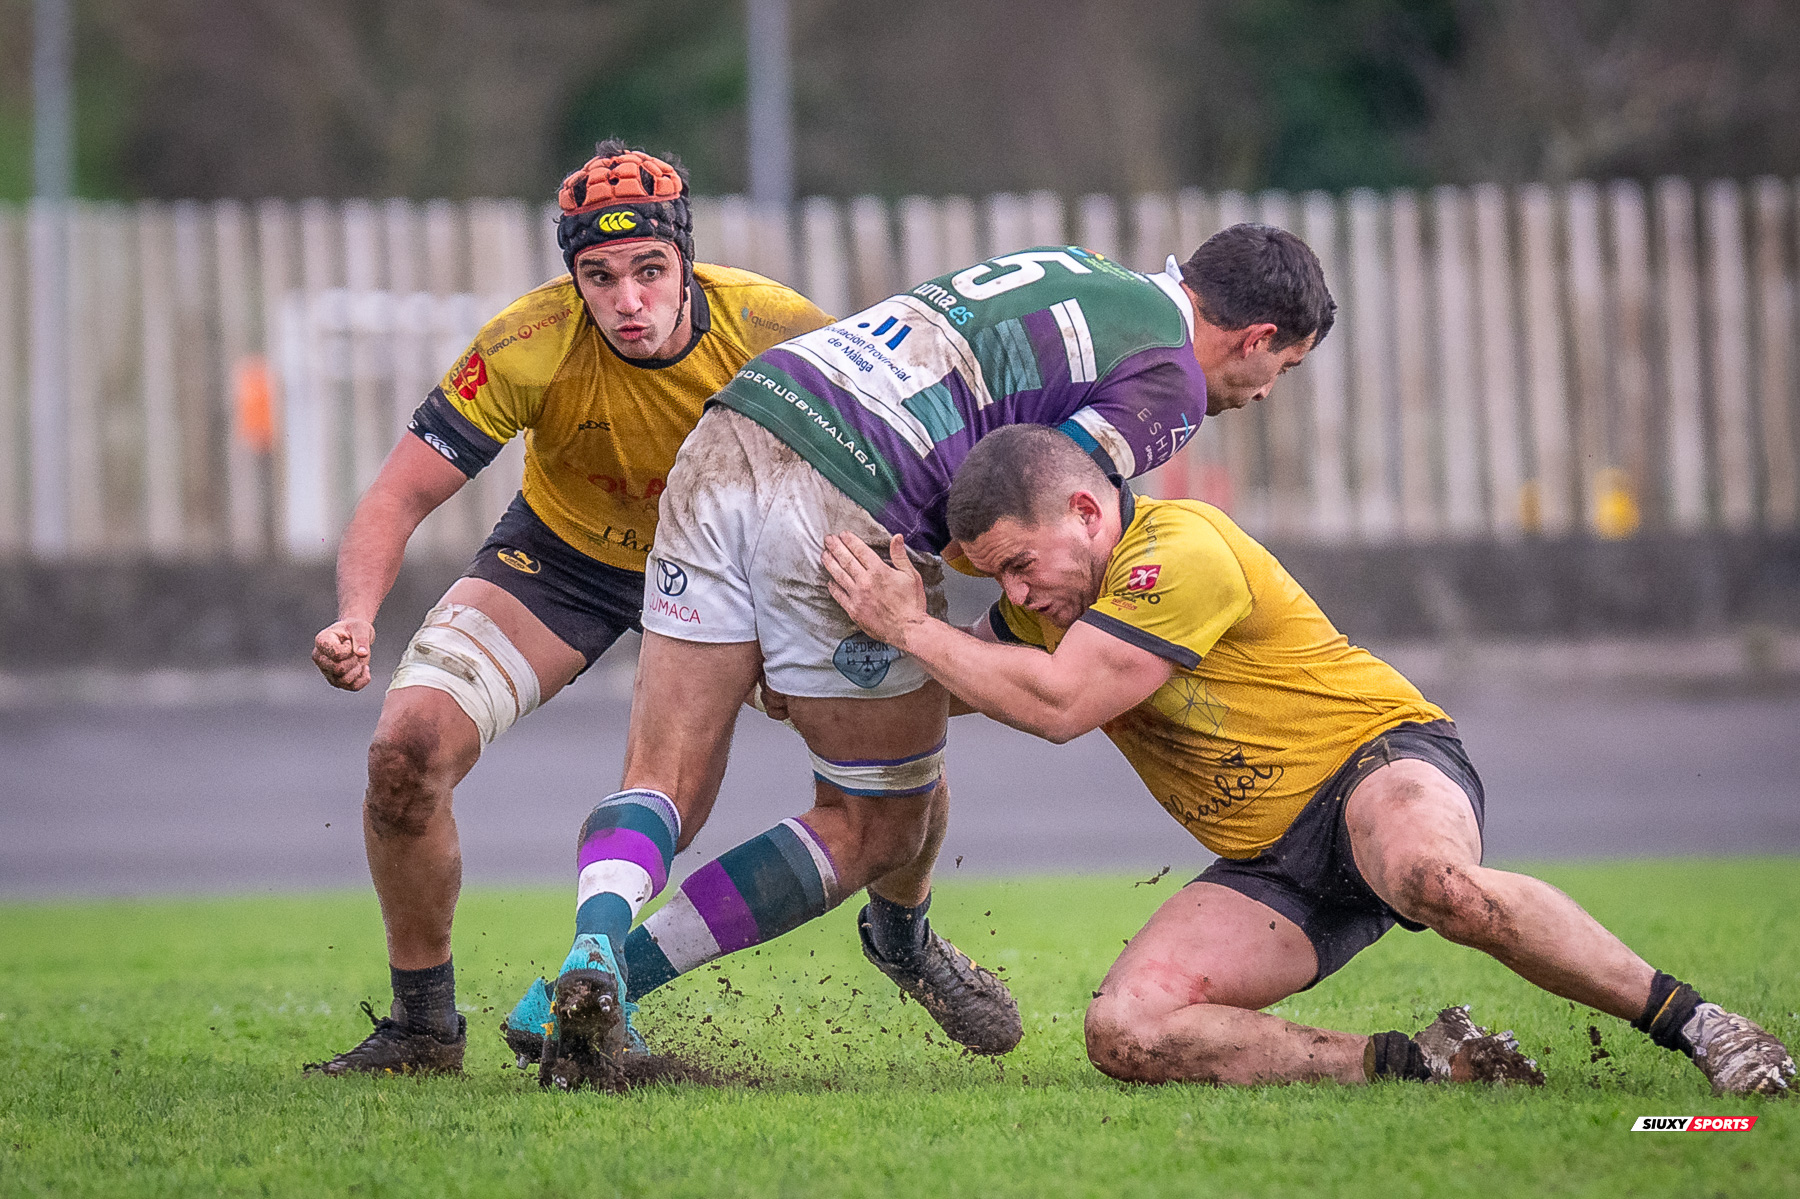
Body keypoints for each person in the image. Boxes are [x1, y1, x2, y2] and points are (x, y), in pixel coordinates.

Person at [535, 224, 1331, 1089]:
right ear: (1258, 339)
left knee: (665, 779)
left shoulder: (1088, 270)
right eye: (1280, 372)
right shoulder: (1170, 379)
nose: (1262, 393)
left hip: (738, 422)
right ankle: (591, 995)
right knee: (878, 820)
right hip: (854, 488)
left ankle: (595, 945)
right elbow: (1021, 517)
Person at [821, 424, 1797, 1096]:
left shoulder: (1176, 550)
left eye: (1024, 563)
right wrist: (796, 675)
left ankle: (1705, 1025)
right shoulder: (1048, 601)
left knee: (1436, 882)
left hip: (1377, 766)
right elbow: (964, 677)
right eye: (998, 578)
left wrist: (911, 626)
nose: (1018, 590)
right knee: (1127, 1027)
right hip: (1275, 865)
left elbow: (1061, 702)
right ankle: (1421, 1063)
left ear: (1086, 509)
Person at [304, 141, 849, 1074]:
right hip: (562, 558)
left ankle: (894, 934)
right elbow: (398, 494)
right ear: (574, 278)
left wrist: (838, 614)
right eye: (599, 277)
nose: (627, 300)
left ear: (686, 260)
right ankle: (423, 1026)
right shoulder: (531, 340)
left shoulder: (775, 325)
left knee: (722, 798)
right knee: (404, 754)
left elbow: (875, 469)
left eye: (649, 270)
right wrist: (357, 613)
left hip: (725, 573)